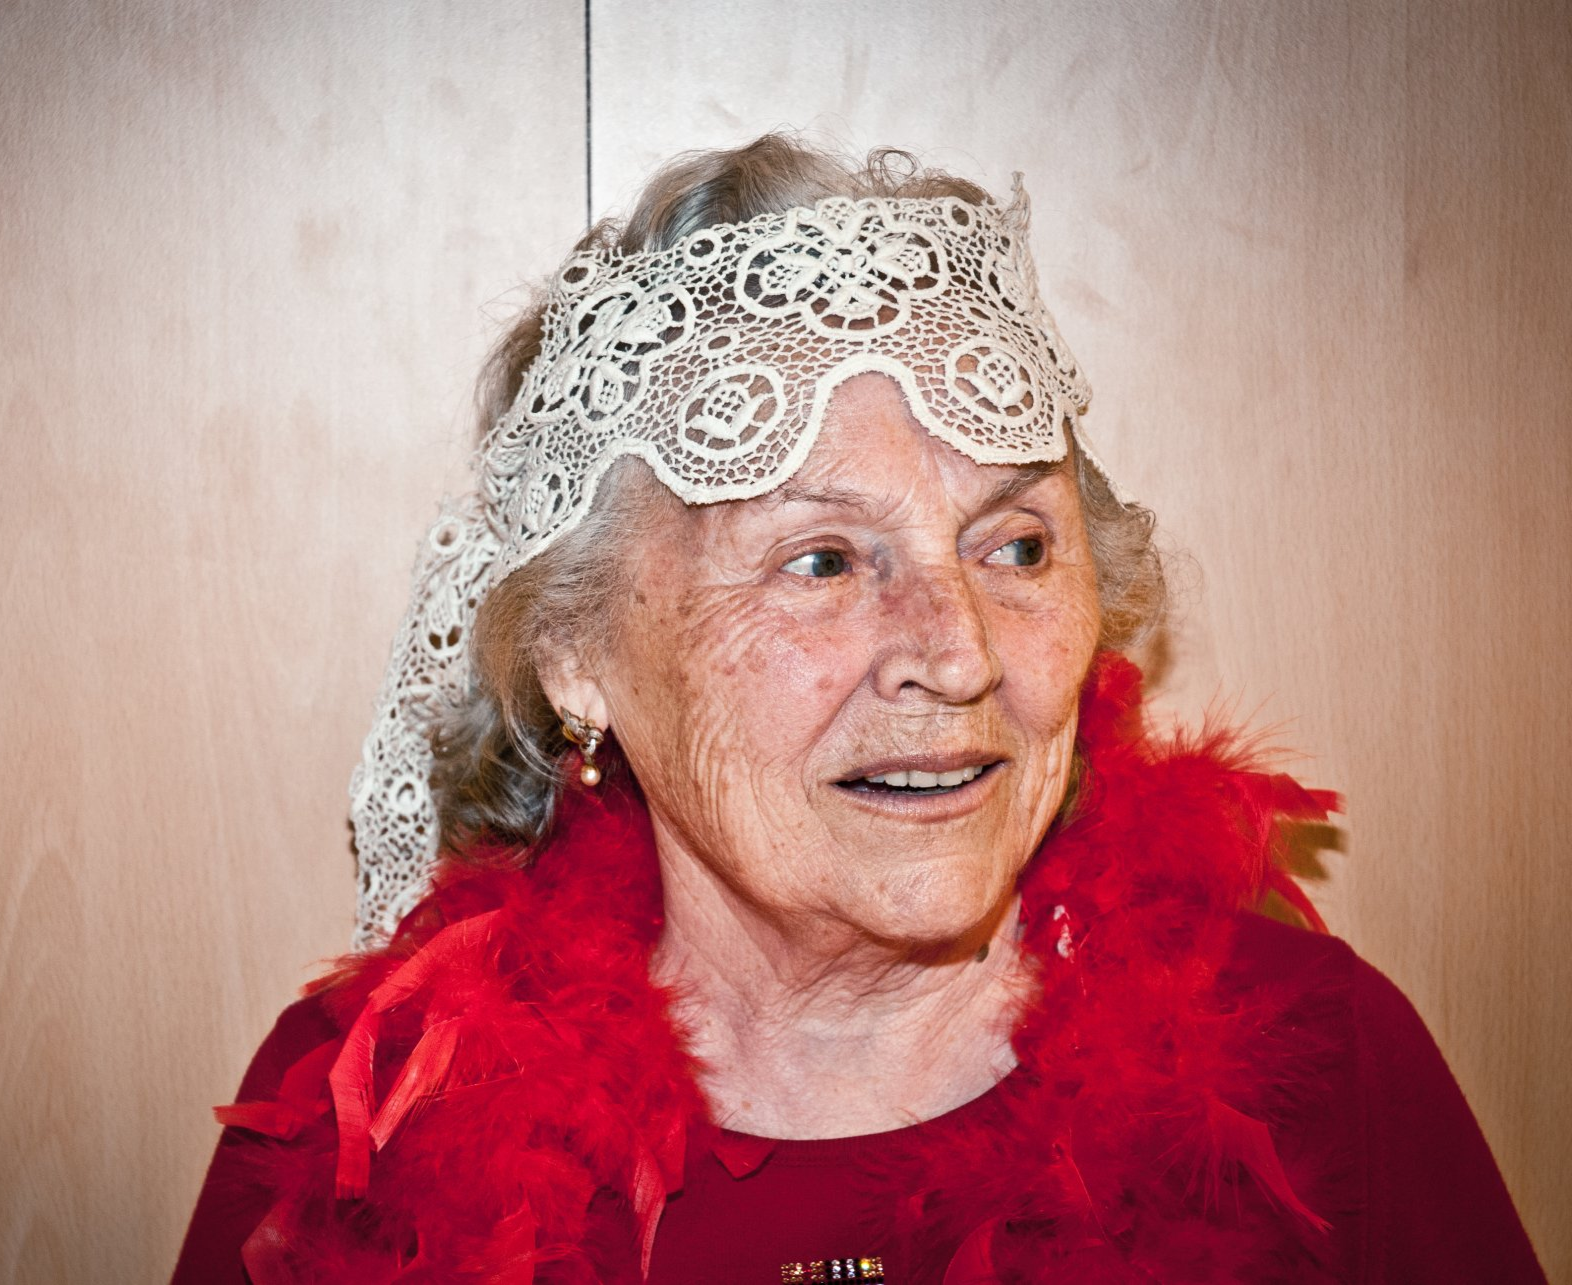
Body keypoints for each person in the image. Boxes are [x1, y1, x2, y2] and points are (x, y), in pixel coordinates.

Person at [173, 135, 1545, 1283]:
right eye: (823, 562)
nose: (957, 655)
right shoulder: (369, 1126)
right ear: (574, 654)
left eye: (1017, 547)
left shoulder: (1319, 1073)